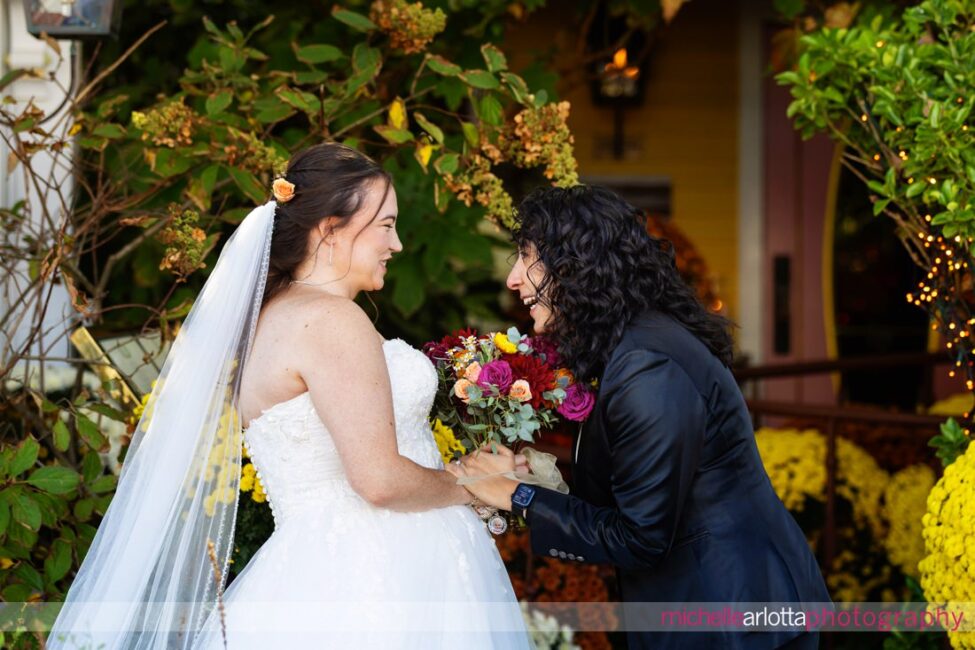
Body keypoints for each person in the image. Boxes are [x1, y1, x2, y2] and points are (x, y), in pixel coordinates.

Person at [48, 142, 532, 649]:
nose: (398, 244)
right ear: (329, 231)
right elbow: (379, 480)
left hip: (308, 573)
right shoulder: (332, 321)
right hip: (380, 575)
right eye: (385, 226)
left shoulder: (267, 320)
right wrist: (478, 485)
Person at [453, 185, 831, 649]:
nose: (513, 279)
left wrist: (519, 496)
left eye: (527, 256)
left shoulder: (645, 365)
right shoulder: (629, 344)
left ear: (576, 264)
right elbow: (638, 493)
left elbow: (641, 536)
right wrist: (536, 481)